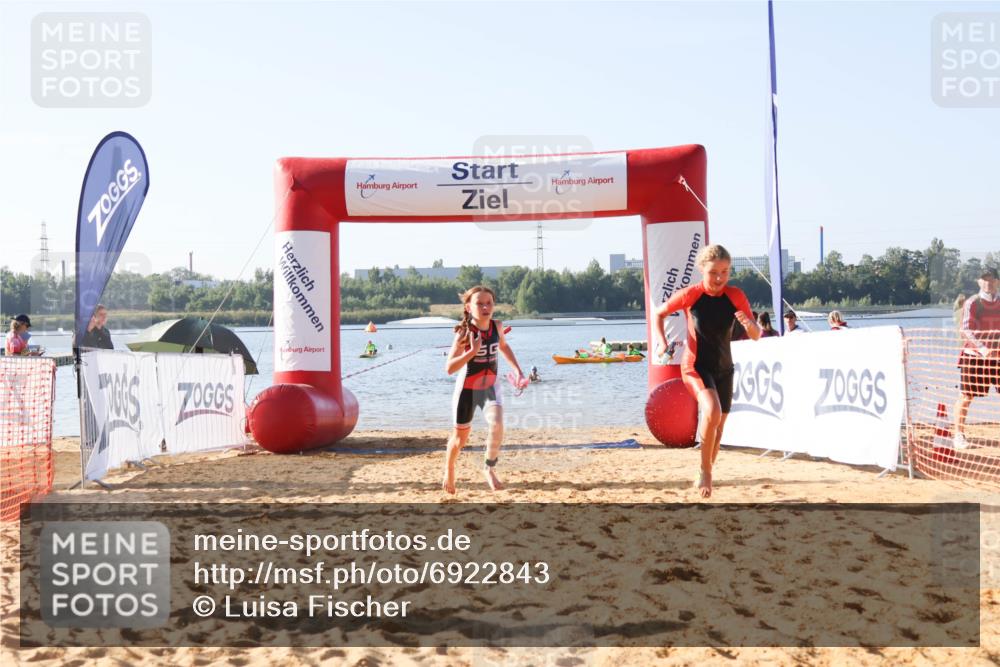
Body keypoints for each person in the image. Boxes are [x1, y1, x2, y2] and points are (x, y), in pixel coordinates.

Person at [652, 244, 761, 498]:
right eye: (714, 272)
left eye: (725, 271)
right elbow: (659, 314)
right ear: (702, 269)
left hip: (724, 368)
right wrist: (662, 343)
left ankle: (705, 468)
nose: (720, 278)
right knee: (711, 410)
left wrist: (749, 324)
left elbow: (756, 335)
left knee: (719, 427)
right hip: (695, 366)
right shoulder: (691, 295)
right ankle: (706, 473)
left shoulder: (735, 295)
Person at [443, 285, 524, 494]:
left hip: (490, 386)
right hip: (467, 390)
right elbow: (450, 368)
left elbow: (504, 347)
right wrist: (472, 352)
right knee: (460, 439)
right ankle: (450, 468)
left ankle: (489, 468)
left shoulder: (497, 326)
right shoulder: (464, 332)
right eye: (480, 303)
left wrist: (518, 370)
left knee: (497, 425)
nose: (485, 307)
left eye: (489, 303)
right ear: (469, 307)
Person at [953, 268, 1000, 450]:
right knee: (966, 396)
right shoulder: (973, 302)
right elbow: (965, 330)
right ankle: (959, 435)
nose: (988, 282)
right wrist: (982, 349)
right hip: (974, 357)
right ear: (979, 282)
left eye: (991, 279)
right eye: (984, 279)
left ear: (996, 281)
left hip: (997, 357)